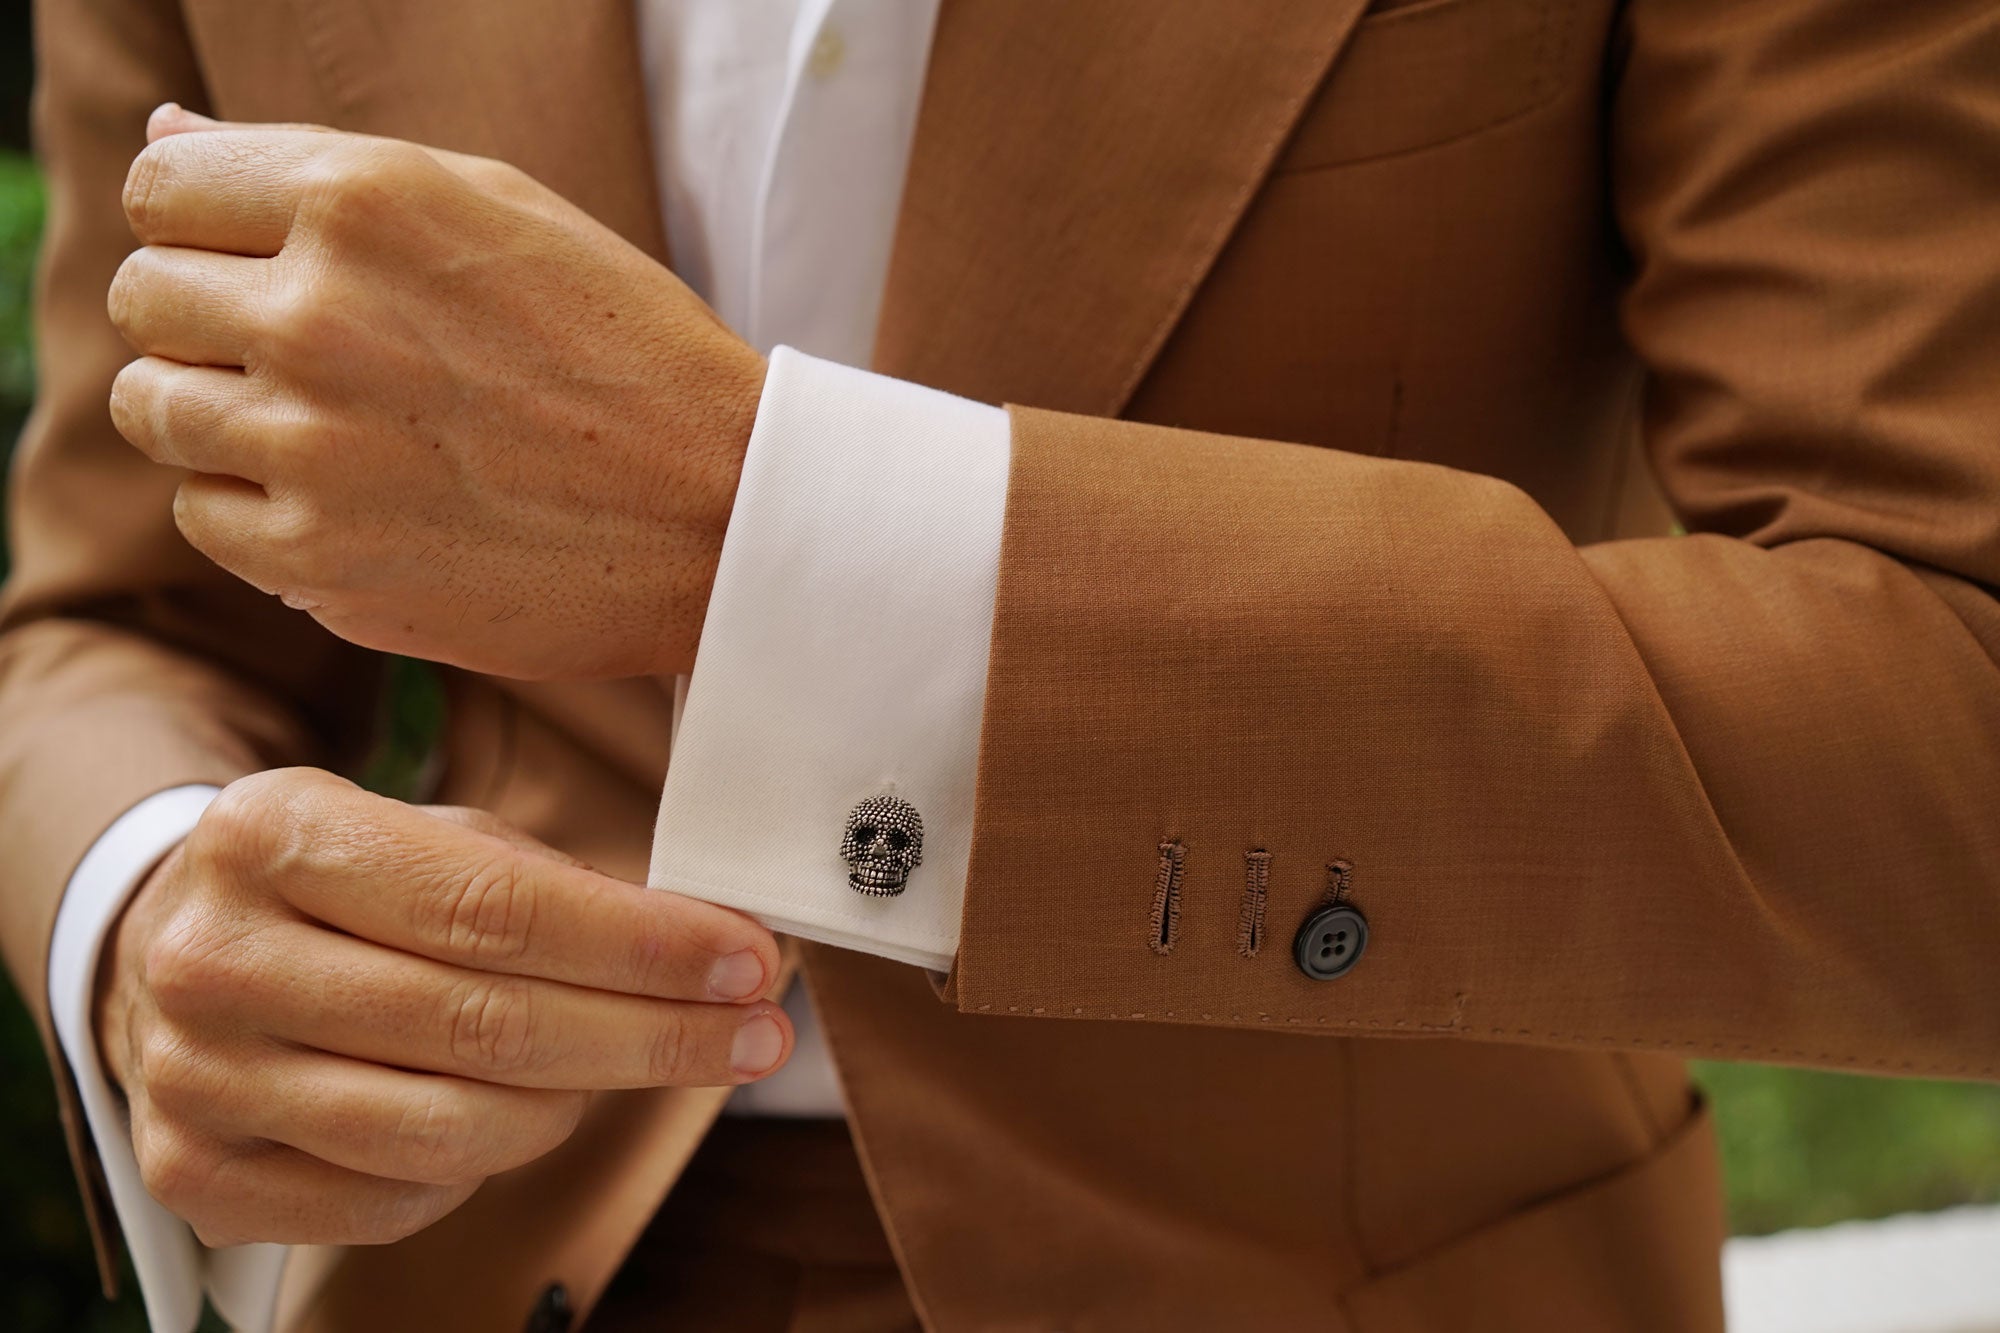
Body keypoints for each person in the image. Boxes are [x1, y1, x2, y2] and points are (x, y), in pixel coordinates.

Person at [5, 0, 1998, 1329]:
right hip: (480, 1262)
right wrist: (153, 904)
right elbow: (103, 611)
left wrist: (763, 524)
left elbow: (1947, 716)